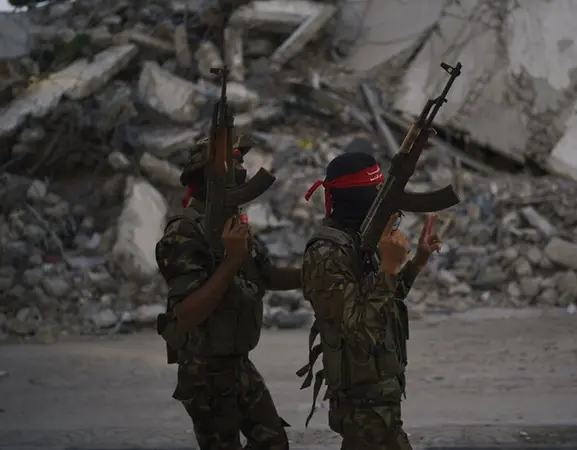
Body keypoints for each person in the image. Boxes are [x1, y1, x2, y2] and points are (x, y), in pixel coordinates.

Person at [154, 136, 301, 450]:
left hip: (237, 364)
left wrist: (318, 273)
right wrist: (231, 260)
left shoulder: (230, 224)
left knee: (273, 442)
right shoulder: (184, 231)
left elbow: (266, 275)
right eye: (232, 162)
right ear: (207, 174)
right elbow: (186, 314)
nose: (241, 169)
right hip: (204, 371)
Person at [297, 152, 443, 450]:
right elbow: (359, 332)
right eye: (374, 193)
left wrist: (415, 261)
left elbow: (385, 298)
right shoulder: (326, 255)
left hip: (379, 398)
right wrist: (389, 267)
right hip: (361, 404)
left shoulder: (359, 239)